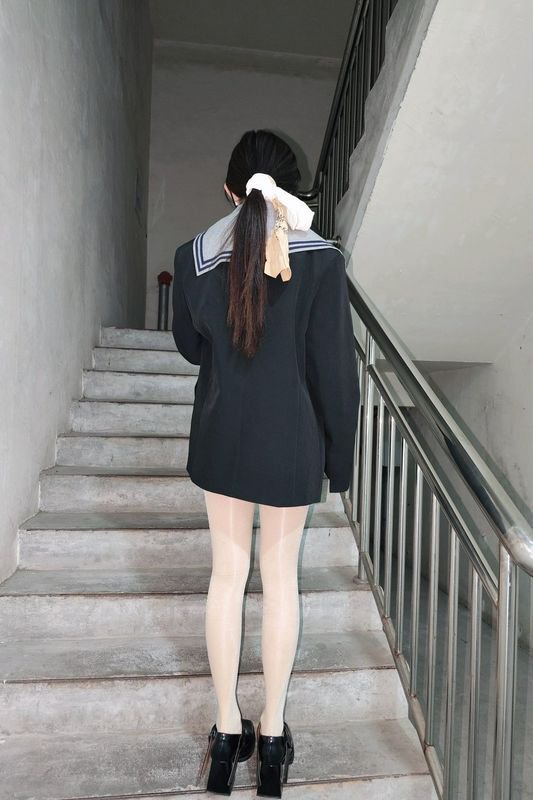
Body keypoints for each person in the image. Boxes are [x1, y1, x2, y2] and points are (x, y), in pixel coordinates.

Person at [172, 129, 360, 797]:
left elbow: (191, 346)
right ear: (293, 189)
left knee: (227, 578)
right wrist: (340, 458)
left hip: (222, 435)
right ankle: (273, 738)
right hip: (291, 443)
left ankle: (227, 733)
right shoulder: (322, 261)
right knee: (280, 583)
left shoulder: (192, 257)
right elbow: (334, 373)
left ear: (230, 190)